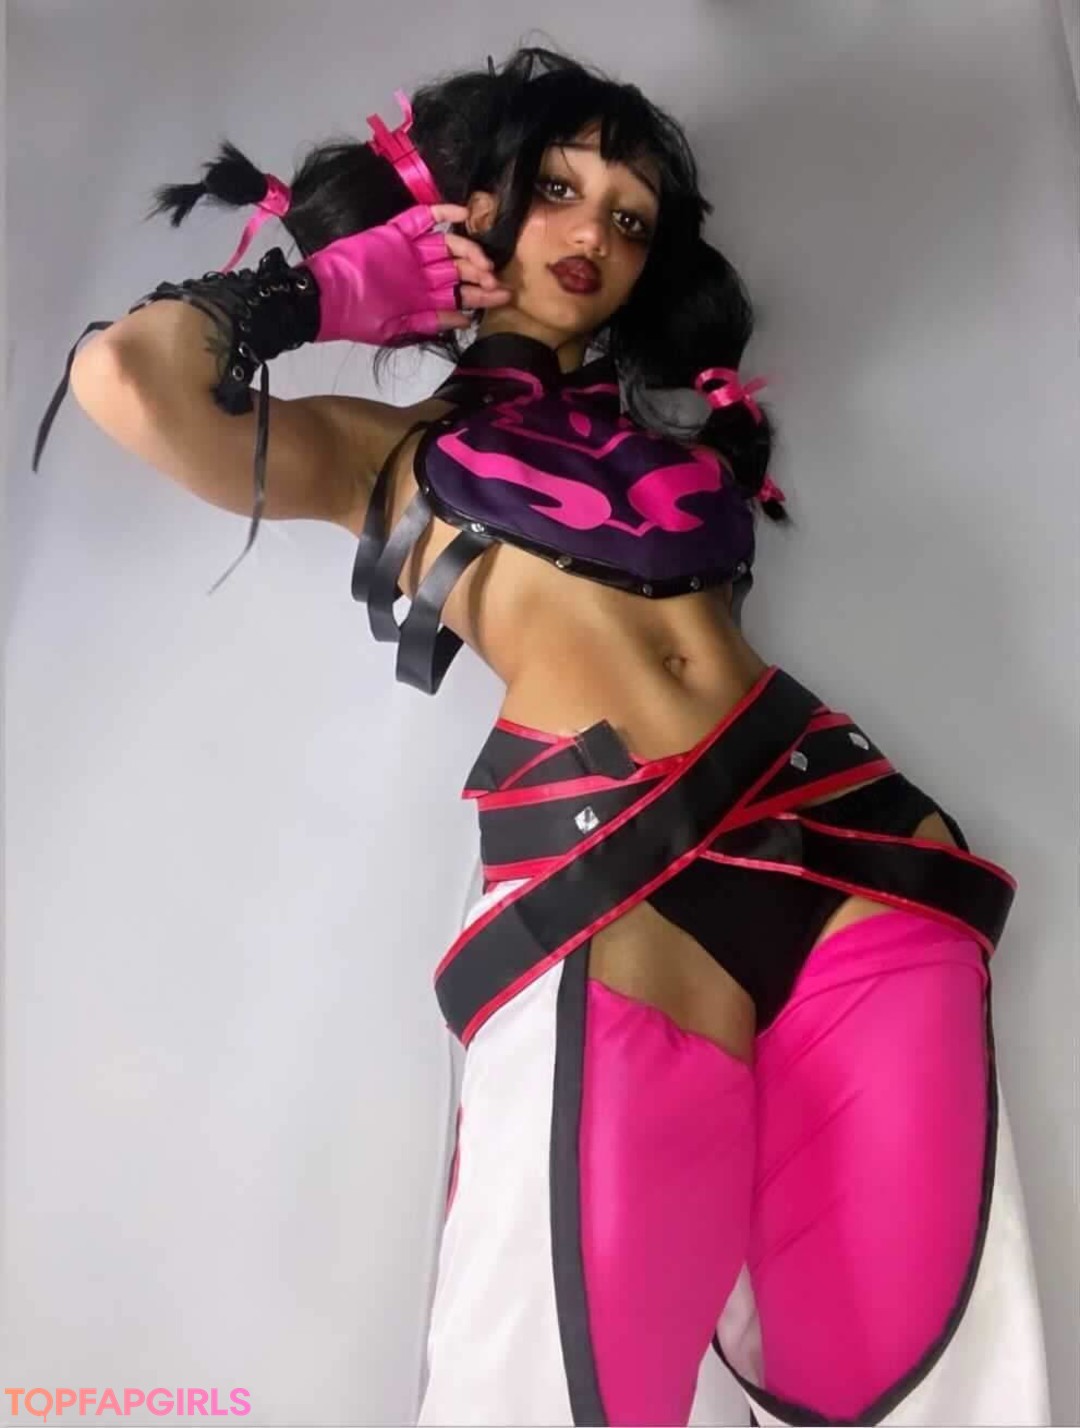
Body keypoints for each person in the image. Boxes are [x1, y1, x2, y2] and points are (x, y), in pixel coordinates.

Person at [40, 44, 1048, 1428]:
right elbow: (129, 379)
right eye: (559, 190)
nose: (595, 235)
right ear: (473, 208)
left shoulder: (681, 440)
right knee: (559, 1367)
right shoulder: (382, 447)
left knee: (918, 1349)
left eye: (629, 218)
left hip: (850, 839)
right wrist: (323, 291)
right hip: (609, 860)